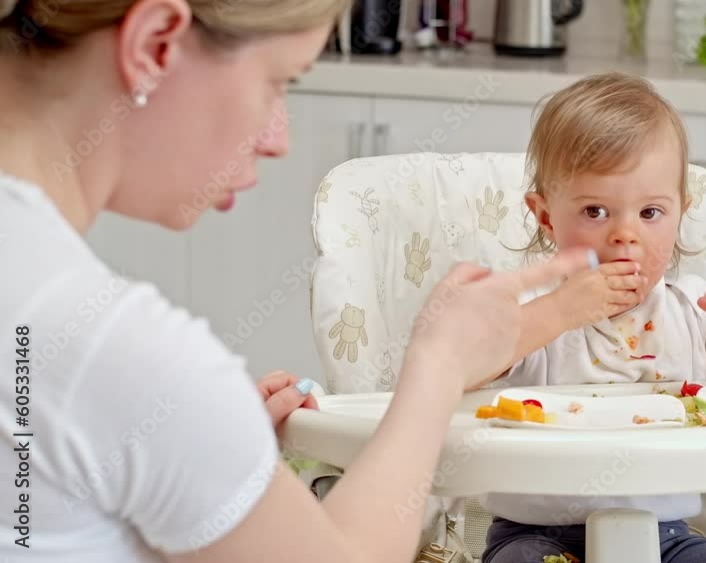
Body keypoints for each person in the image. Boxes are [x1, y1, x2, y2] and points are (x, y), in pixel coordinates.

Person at [0, 1, 594, 561]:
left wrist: (206, 460)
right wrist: (438, 369)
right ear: (154, 44)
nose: (279, 138)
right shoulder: (112, 346)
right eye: (277, 82)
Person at [478, 73, 706, 563]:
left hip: (668, 536)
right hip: (536, 533)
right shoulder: (533, 308)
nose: (625, 234)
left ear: (681, 210)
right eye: (595, 211)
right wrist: (559, 310)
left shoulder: (692, 309)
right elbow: (463, 365)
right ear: (545, 216)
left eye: (651, 213)